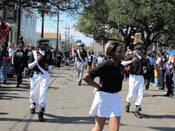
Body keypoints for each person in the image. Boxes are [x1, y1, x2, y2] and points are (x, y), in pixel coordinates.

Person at [83, 41, 136, 131]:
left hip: (115, 98)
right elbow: (86, 77)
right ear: (111, 52)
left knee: (115, 129)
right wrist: (98, 86)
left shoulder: (120, 66)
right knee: (99, 128)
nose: (122, 53)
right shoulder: (106, 64)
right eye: (119, 51)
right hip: (103, 98)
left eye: (123, 51)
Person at [28, 38, 52, 122]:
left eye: (47, 45)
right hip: (35, 76)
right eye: (44, 45)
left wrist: (48, 67)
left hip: (44, 75)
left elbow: (50, 65)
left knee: (43, 93)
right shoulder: (34, 53)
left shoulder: (49, 53)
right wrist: (36, 61)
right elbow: (30, 66)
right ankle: (33, 104)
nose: (46, 46)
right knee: (33, 93)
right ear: (40, 45)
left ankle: (41, 110)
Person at [125, 43, 147, 118]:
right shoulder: (131, 57)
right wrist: (127, 69)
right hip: (133, 77)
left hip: (140, 77)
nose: (141, 50)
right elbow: (126, 65)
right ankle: (128, 102)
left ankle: (137, 108)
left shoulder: (144, 58)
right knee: (131, 92)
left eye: (142, 49)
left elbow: (146, 66)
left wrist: (145, 69)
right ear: (136, 50)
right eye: (140, 49)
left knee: (140, 93)